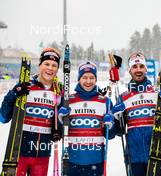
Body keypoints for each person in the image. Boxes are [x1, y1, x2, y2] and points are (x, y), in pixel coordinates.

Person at [0, 48, 62, 176]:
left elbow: (61, 118)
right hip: (18, 152)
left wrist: (58, 129)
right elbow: (3, 117)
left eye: (54, 65)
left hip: (43, 155)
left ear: (57, 69)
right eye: (46, 64)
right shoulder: (26, 85)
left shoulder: (59, 91)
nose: (50, 68)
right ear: (40, 65)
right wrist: (13, 94)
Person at [112, 52, 161, 176]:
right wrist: (115, 118)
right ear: (130, 70)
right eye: (134, 67)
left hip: (158, 154)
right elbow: (120, 131)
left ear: (146, 69)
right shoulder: (123, 97)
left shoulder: (157, 93)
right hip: (134, 157)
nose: (138, 70)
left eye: (141, 66)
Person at [58, 61, 115, 176]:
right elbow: (59, 133)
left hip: (96, 161)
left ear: (96, 79)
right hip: (72, 160)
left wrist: (111, 125)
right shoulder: (68, 100)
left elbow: (112, 135)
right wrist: (60, 120)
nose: (88, 81)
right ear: (79, 78)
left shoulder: (105, 101)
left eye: (92, 77)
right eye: (84, 77)